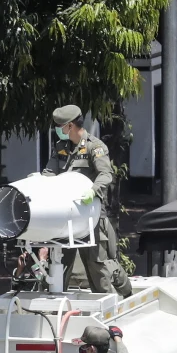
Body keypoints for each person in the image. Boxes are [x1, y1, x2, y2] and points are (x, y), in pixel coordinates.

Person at [41, 104, 131, 297]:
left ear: (70, 126)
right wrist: (40, 181)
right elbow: (49, 172)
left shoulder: (94, 147)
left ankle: (123, 293)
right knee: (59, 262)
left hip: (91, 215)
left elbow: (106, 174)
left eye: (60, 126)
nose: (58, 130)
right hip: (66, 216)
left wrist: (93, 191)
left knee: (98, 265)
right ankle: (55, 305)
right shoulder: (61, 147)